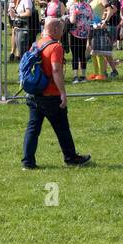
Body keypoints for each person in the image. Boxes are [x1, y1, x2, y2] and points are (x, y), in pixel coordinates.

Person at [20, 17, 91, 170]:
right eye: (62, 30)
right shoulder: (55, 47)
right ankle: (71, 157)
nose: (63, 33)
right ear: (56, 30)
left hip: (35, 94)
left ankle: (27, 162)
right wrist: (63, 93)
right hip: (50, 95)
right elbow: (56, 70)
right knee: (62, 128)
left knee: (33, 128)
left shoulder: (36, 44)